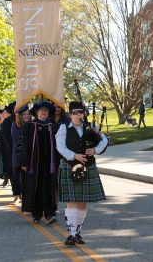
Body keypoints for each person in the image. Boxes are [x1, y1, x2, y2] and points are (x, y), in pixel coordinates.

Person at [55, 101, 108, 246]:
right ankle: (71, 234)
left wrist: (95, 150)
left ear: (84, 113)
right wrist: (74, 155)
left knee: (82, 202)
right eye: (75, 113)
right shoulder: (63, 128)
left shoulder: (91, 127)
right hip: (70, 166)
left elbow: (104, 139)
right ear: (70, 114)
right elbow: (60, 147)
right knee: (71, 201)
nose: (78, 115)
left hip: (88, 166)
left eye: (80, 112)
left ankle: (78, 232)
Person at [16, 101, 57, 225]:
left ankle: (50, 214)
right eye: (41, 110)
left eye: (46, 110)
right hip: (34, 164)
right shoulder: (29, 126)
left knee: (49, 188)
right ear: (37, 112)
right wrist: (23, 162)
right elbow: (22, 145)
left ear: (48, 112)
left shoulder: (53, 126)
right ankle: (37, 214)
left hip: (50, 164)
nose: (44, 112)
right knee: (36, 188)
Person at [11, 104, 31, 204]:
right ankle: (17, 195)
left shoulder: (32, 124)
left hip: (29, 155)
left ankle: (25, 197)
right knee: (17, 176)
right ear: (19, 115)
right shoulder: (15, 126)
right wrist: (23, 161)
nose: (27, 116)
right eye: (24, 114)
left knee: (27, 178)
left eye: (28, 114)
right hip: (19, 155)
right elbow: (20, 144)